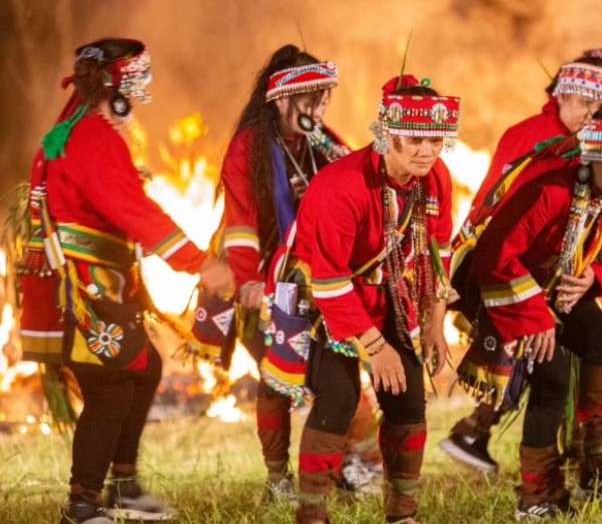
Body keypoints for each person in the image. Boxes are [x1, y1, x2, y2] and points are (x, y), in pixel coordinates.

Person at [18, 38, 235, 524]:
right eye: (140, 79)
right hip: (84, 281)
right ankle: (82, 503)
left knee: (144, 368)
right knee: (114, 382)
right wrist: (199, 261)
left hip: (101, 276)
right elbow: (130, 209)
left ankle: (125, 485)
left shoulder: (82, 127)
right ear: (118, 84)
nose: (145, 90)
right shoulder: (93, 136)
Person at [452, 101, 602, 518]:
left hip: (559, 287)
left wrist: (593, 280)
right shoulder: (551, 189)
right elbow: (492, 257)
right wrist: (534, 318)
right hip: (505, 289)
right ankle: (537, 495)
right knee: (551, 378)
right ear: (594, 153)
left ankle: (597, 466)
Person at [440, 49, 602, 474]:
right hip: (509, 273)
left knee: (593, 345)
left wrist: (595, 277)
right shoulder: (530, 137)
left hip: (566, 281)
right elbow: (493, 221)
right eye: (584, 101)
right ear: (562, 94)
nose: (592, 113)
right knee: (545, 365)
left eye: (601, 106)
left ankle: (590, 456)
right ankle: (527, 470)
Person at [212, 45, 378, 500]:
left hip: (316, 272)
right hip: (265, 275)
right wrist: (249, 280)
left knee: (339, 372)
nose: (319, 110)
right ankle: (278, 478)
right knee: (276, 376)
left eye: (324, 100)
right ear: (281, 101)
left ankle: (356, 464)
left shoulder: (321, 140)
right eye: (311, 101)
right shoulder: (249, 148)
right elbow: (241, 221)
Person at [293, 74, 459, 524]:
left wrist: (433, 323)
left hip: (389, 297)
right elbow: (328, 280)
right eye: (415, 140)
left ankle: (402, 514)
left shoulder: (436, 178)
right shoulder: (341, 187)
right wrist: (377, 347)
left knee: (408, 400)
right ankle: (311, 516)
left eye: (437, 140)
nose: (427, 151)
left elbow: (438, 255)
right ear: (387, 133)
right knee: (339, 400)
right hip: (324, 303)